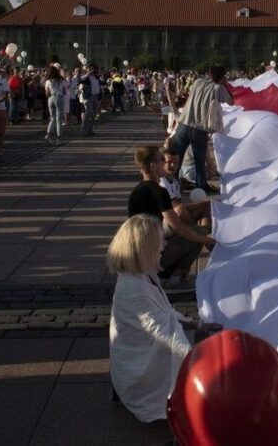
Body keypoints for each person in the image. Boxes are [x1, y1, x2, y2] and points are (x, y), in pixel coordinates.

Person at [107, 214, 199, 423]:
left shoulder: (140, 274)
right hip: (137, 372)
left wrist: (191, 322)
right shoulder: (135, 287)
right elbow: (161, 334)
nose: (163, 246)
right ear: (144, 249)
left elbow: (162, 312)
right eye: (159, 242)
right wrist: (196, 359)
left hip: (138, 349)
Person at [127, 146, 215, 290]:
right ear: (153, 165)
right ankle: (174, 278)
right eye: (162, 160)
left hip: (139, 257)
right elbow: (177, 227)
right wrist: (206, 240)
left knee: (192, 232)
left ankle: (169, 275)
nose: (166, 164)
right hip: (150, 259)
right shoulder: (158, 191)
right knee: (197, 233)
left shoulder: (138, 190)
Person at [169, 65, 233, 194]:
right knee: (199, 162)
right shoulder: (218, 89)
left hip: (184, 124)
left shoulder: (198, 82)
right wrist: (225, 85)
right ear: (222, 77)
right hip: (199, 129)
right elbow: (231, 102)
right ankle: (200, 188)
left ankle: (173, 186)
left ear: (209, 73)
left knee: (177, 158)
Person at [160, 146, 212, 230]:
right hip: (162, 224)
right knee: (180, 210)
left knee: (205, 207)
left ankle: (203, 232)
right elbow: (177, 207)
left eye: (176, 162)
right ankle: (195, 234)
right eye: (169, 162)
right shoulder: (162, 182)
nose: (173, 165)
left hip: (174, 219)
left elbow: (181, 205)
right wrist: (200, 204)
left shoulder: (175, 182)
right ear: (162, 163)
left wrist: (202, 204)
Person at [43, 64, 69, 145]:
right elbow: (65, 91)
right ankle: (59, 139)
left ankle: (48, 135)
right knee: (59, 120)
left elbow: (47, 93)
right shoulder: (62, 80)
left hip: (50, 99)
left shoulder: (47, 81)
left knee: (52, 118)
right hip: (59, 98)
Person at [80, 65, 100, 136]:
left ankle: (90, 130)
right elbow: (80, 79)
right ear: (87, 70)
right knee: (88, 113)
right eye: (89, 69)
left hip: (96, 97)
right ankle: (85, 131)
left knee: (94, 115)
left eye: (92, 69)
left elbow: (100, 84)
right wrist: (88, 74)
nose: (91, 71)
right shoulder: (86, 77)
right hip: (88, 97)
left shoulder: (96, 77)